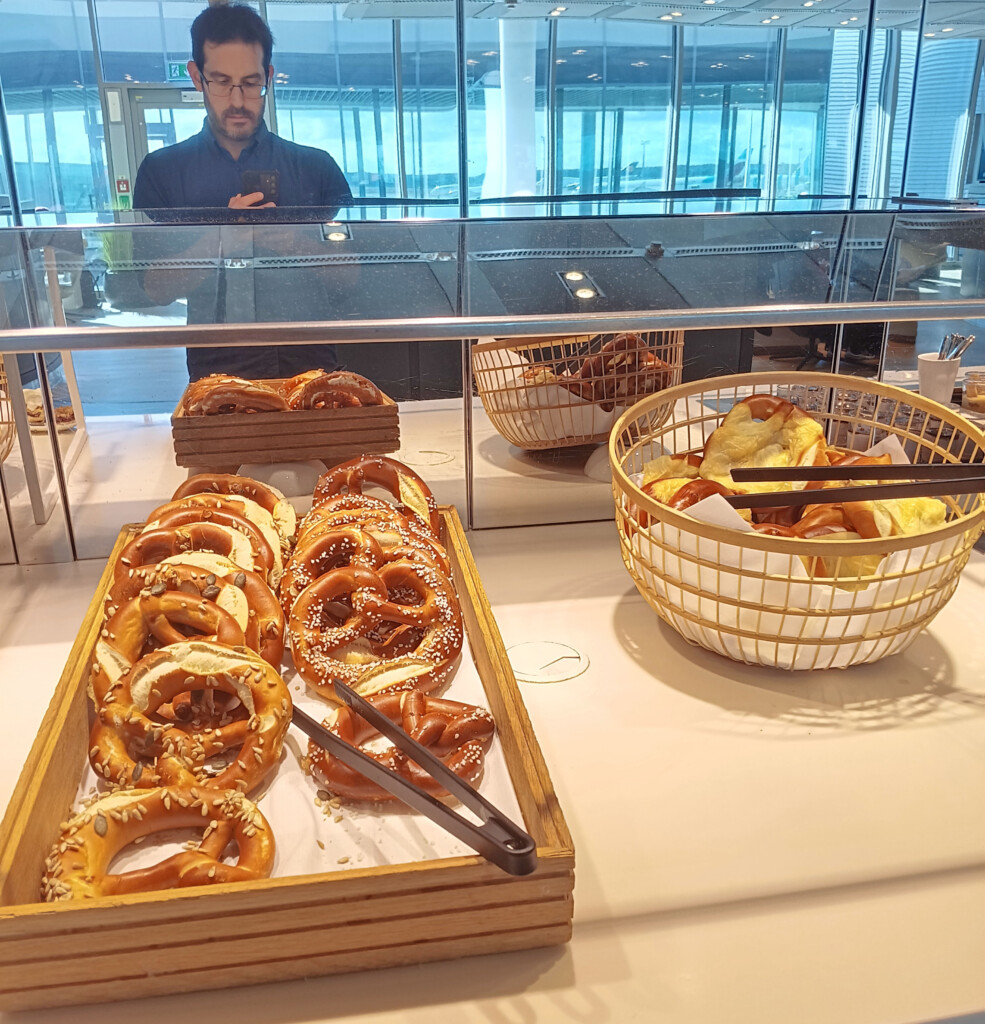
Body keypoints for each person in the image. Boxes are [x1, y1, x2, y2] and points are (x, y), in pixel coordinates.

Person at [133, 3, 353, 381]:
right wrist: (223, 240)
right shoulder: (163, 171)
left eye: (251, 83)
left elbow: (351, 278)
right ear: (197, 77)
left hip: (313, 372)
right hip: (217, 377)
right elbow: (155, 289)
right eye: (221, 81)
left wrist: (288, 240)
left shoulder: (316, 168)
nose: (237, 100)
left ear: (268, 75)